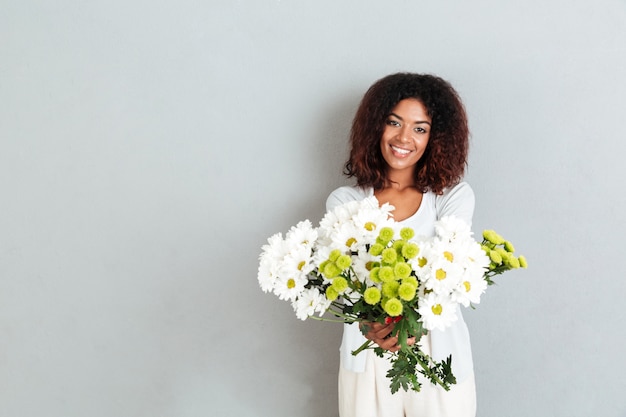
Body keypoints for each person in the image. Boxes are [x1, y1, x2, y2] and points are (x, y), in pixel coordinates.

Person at [326, 73, 477, 417]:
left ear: (436, 138)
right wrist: (369, 325)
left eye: (420, 128)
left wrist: (410, 322)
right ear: (374, 127)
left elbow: (450, 272)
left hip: (440, 358)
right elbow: (347, 281)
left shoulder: (451, 198)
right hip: (367, 359)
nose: (404, 137)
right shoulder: (345, 201)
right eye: (394, 122)